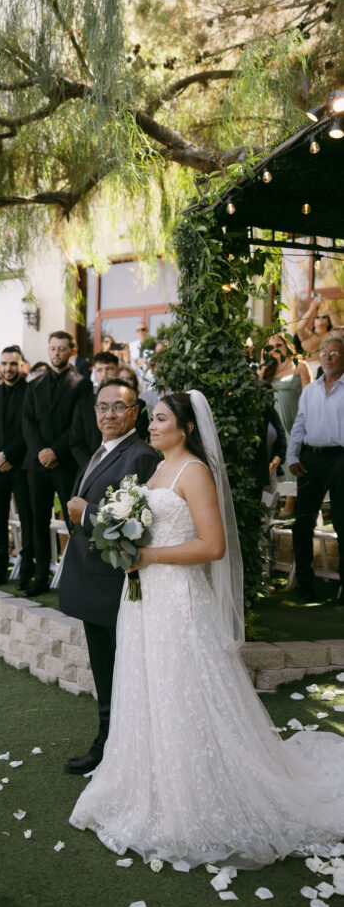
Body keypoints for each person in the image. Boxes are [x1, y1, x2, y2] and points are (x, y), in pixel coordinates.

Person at [70, 390, 344, 868]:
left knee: (182, 689)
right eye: (151, 419)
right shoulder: (154, 471)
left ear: (187, 427)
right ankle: (148, 778)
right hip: (143, 599)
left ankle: (192, 788)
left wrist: (147, 555)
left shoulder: (194, 472)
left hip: (178, 598)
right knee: (146, 686)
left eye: (159, 419)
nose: (150, 426)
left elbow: (212, 545)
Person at [59, 379, 159, 775]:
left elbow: (141, 525)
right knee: (105, 669)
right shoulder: (100, 451)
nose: (109, 414)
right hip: (92, 579)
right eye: (103, 407)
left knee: (121, 670)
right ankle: (109, 740)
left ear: (135, 412)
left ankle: (113, 747)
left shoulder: (142, 456)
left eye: (119, 407)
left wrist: (86, 513)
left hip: (117, 584)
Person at [22, 331, 92, 596]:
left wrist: (55, 452)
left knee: (73, 523)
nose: (57, 353)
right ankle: (40, 577)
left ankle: (78, 579)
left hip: (66, 464)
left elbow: (78, 423)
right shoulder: (34, 384)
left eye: (62, 349)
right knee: (37, 521)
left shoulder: (82, 384)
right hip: (36, 463)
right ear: (48, 349)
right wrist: (41, 451)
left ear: (70, 351)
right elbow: (27, 422)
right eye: (53, 348)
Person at [287, 333, 344, 602]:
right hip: (311, 458)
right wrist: (292, 457)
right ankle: (305, 584)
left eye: (334, 352)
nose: (328, 356)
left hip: (340, 459)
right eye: (324, 352)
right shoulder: (310, 390)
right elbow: (298, 426)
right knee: (303, 522)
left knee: (343, 522)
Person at [0, 345, 34, 589]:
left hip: (21, 466)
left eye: (13, 363)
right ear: (0, 366)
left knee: (27, 520)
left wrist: (7, 454)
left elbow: (29, 431)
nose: (8, 368)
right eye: (5, 364)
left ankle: (26, 572)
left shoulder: (32, 393)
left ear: (21, 365)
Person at [259, 333, 311, 515]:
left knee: (291, 453)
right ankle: (276, 500)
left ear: (287, 345)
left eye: (278, 345)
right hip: (272, 421)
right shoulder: (267, 369)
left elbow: (308, 396)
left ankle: (291, 501)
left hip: (293, 418)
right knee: (274, 454)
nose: (275, 350)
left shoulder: (300, 365)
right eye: (270, 347)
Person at [72, 351, 121, 468]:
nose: (104, 374)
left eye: (109, 369)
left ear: (118, 371)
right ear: (94, 373)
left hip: (122, 470)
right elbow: (76, 442)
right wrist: (93, 467)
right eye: (99, 370)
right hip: (89, 470)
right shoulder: (83, 406)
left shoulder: (134, 405)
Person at [294, 299, 336, 374]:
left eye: (324, 317)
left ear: (329, 323)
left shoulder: (332, 334)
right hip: (310, 370)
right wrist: (311, 309)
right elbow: (299, 328)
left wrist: (329, 310)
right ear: (313, 323)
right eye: (317, 317)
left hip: (330, 369)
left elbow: (339, 327)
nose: (320, 318)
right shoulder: (308, 335)